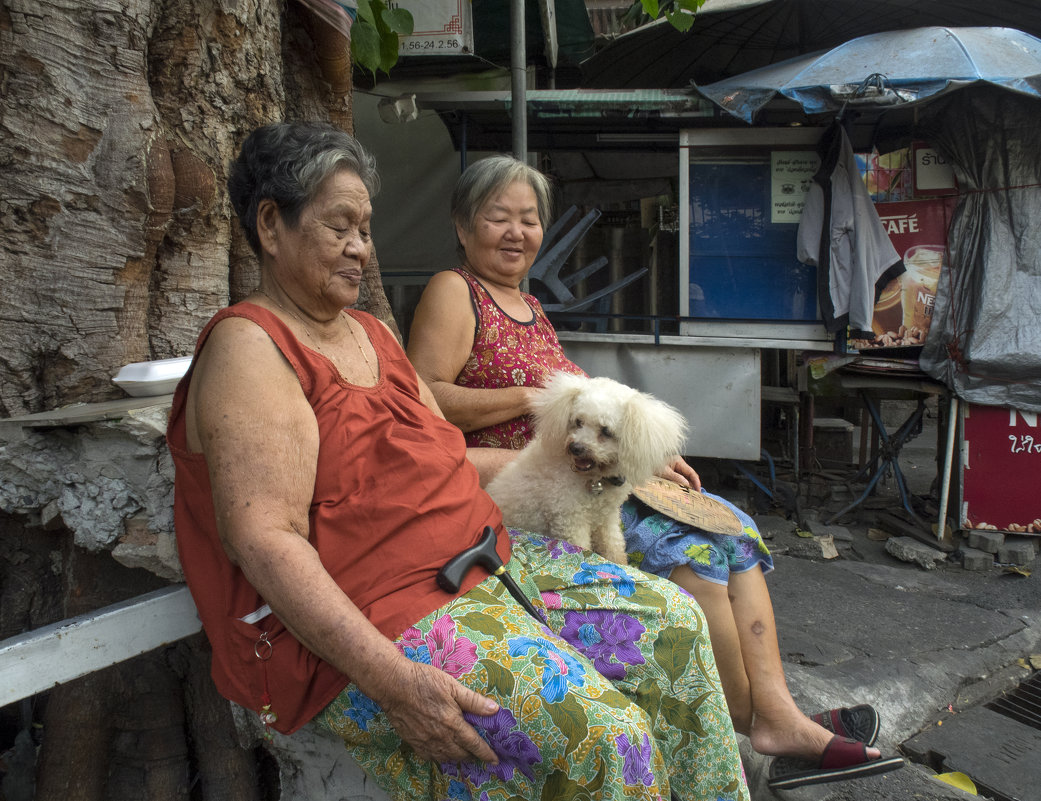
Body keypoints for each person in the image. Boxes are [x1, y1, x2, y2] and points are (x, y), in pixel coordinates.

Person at [167, 122, 751, 801]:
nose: (362, 247)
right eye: (341, 227)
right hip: (382, 620)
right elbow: (264, 539)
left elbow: (444, 457)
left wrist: (597, 466)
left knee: (675, 626)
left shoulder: (370, 333)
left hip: (486, 561)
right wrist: (392, 682)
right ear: (271, 223)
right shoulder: (252, 348)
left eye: (365, 227)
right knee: (605, 734)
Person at [406, 155, 905, 788]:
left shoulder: (527, 304)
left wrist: (647, 453)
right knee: (695, 553)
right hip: (534, 489)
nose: (515, 232)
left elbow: (589, 405)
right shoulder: (456, 291)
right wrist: (537, 397)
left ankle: (773, 712)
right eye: (497, 217)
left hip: (595, 476)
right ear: (461, 224)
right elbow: (425, 399)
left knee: (731, 528)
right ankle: (740, 726)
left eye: (529, 219)